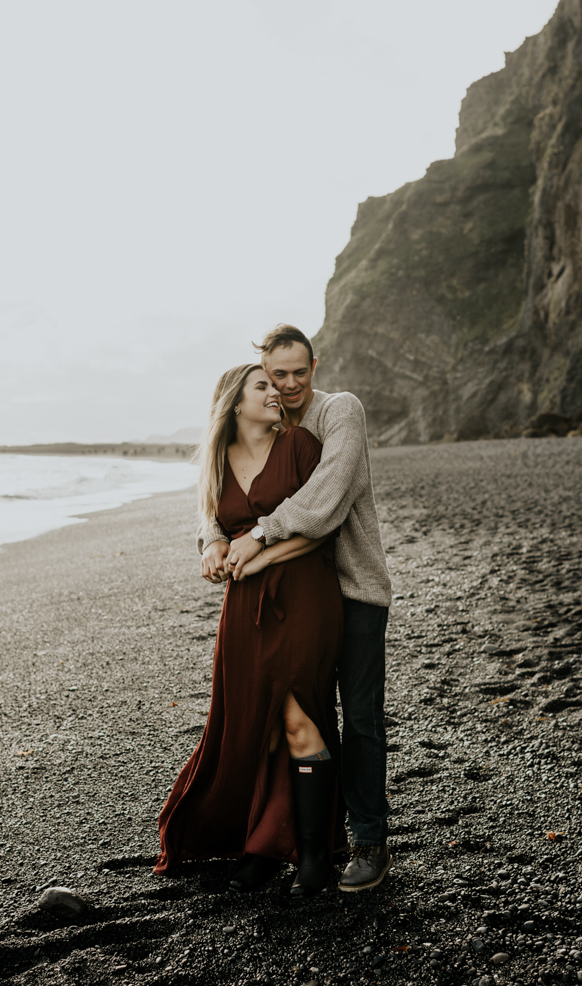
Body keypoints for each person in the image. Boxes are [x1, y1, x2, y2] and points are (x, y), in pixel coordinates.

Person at [202, 325, 394, 892]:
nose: (287, 386)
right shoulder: (262, 427)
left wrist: (258, 541)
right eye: (275, 375)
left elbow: (327, 497)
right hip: (293, 595)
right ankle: (315, 844)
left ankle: (369, 841)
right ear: (261, 369)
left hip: (351, 586)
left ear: (316, 366)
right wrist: (210, 541)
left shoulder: (338, 413)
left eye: (298, 373)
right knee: (304, 719)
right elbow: (218, 496)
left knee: (359, 718)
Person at [156, 363, 345, 897]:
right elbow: (212, 526)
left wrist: (260, 558)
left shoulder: (302, 446)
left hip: (306, 593)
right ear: (235, 403)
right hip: (243, 609)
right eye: (262, 386)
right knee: (260, 727)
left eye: (275, 385)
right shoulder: (217, 462)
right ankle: (264, 847)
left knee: (298, 718)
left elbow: (324, 525)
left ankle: (315, 859)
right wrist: (213, 549)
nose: (276, 392)